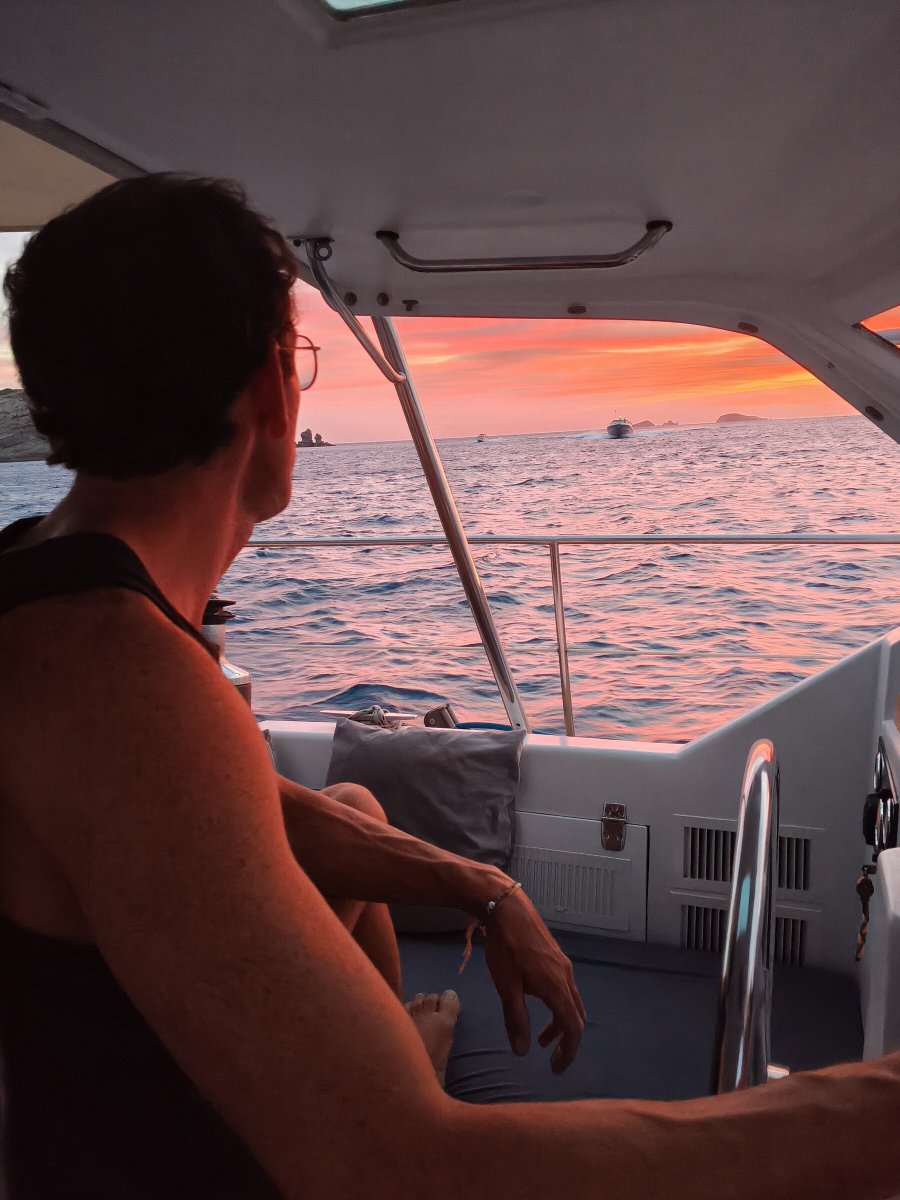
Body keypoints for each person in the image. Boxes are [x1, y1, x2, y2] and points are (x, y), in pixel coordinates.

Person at [0, 174, 898, 1200]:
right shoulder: (114, 676)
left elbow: (220, 807)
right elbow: (402, 1167)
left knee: (354, 807)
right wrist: (866, 1111)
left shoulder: (47, 583)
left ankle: (391, 1056)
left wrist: (483, 882)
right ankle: (396, 1072)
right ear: (269, 388)